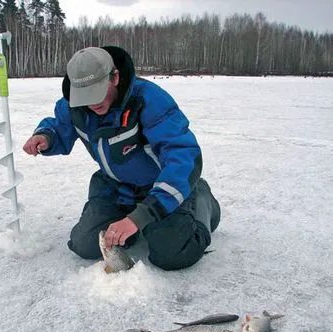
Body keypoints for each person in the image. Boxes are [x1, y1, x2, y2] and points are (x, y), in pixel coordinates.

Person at [23, 46, 220, 270]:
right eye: (84, 96)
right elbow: (59, 126)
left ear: (115, 77)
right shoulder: (74, 105)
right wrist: (46, 137)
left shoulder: (148, 100)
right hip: (116, 187)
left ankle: (200, 199)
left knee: (174, 253)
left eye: (97, 92)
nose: (92, 103)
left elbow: (183, 156)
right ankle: (136, 226)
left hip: (159, 186)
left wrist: (141, 216)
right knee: (85, 244)